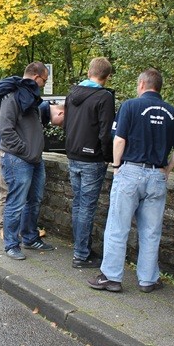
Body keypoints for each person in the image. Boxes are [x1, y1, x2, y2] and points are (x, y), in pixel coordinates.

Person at [88, 68, 174, 293]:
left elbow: (119, 140)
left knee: (117, 226)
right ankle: (148, 279)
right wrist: (168, 169)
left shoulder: (130, 106)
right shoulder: (173, 112)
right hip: (157, 176)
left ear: (142, 84)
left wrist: (116, 167)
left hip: (131, 172)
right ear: (158, 87)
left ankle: (111, 277)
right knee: (151, 231)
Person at [0, 62, 54, 260]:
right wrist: (24, 150)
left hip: (34, 159)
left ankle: (30, 237)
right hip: (18, 159)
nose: (44, 84)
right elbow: (5, 129)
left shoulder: (31, 99)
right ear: (36, 77)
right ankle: (11, 244)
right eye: (44, 80)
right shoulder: (12, 97)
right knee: (16, 202)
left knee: (34, 200)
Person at [64, 57, 115, 268]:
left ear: (88, 72)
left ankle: (81, 249)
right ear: (107, 76)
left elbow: (66, 124)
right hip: (91, 158)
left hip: (73, 154)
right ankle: (81, 254)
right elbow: (106, 132)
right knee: (86, 207)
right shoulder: (104, 97)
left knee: (78, 204)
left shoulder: (72, 94)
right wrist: (108, 157)